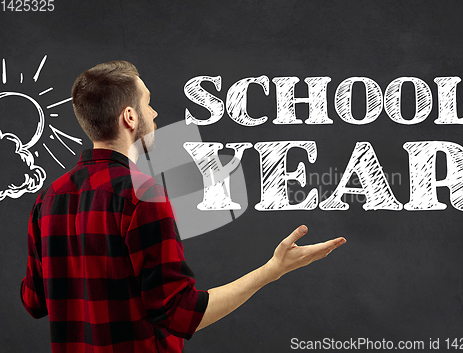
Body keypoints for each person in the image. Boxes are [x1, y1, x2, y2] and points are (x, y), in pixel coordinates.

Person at [20, 60, 346, 353]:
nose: (155, 113)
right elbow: (181, 313)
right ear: (129, 117)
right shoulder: (143, 195)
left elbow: (34, 301)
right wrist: (272, 271)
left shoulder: (49, 198)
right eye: (148, 103)